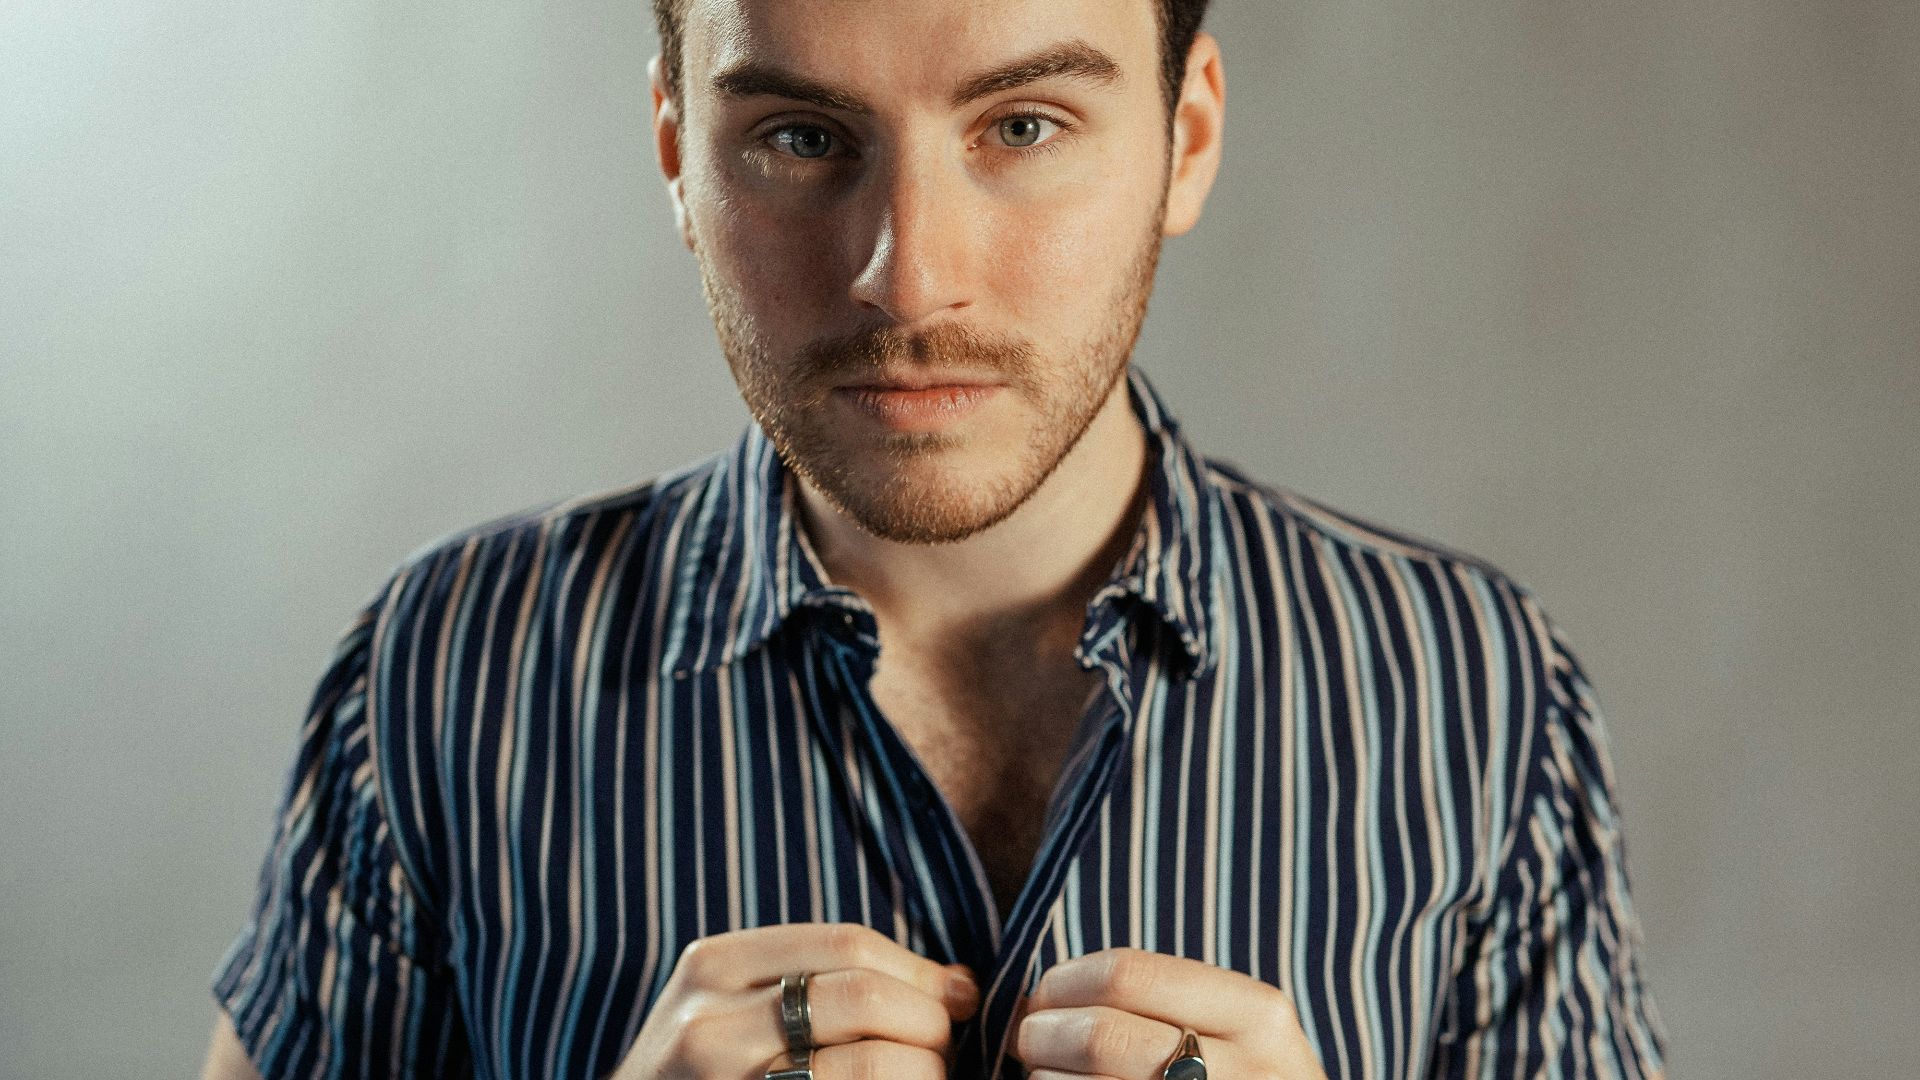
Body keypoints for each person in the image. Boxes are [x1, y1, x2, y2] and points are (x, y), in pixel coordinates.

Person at [200, 0, 1670, 1077]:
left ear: (1187, 139)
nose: (910, 277)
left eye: (1022, 126)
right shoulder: (443, 679)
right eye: (799, 136)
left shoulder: (1473, 692)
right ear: (674, 148)